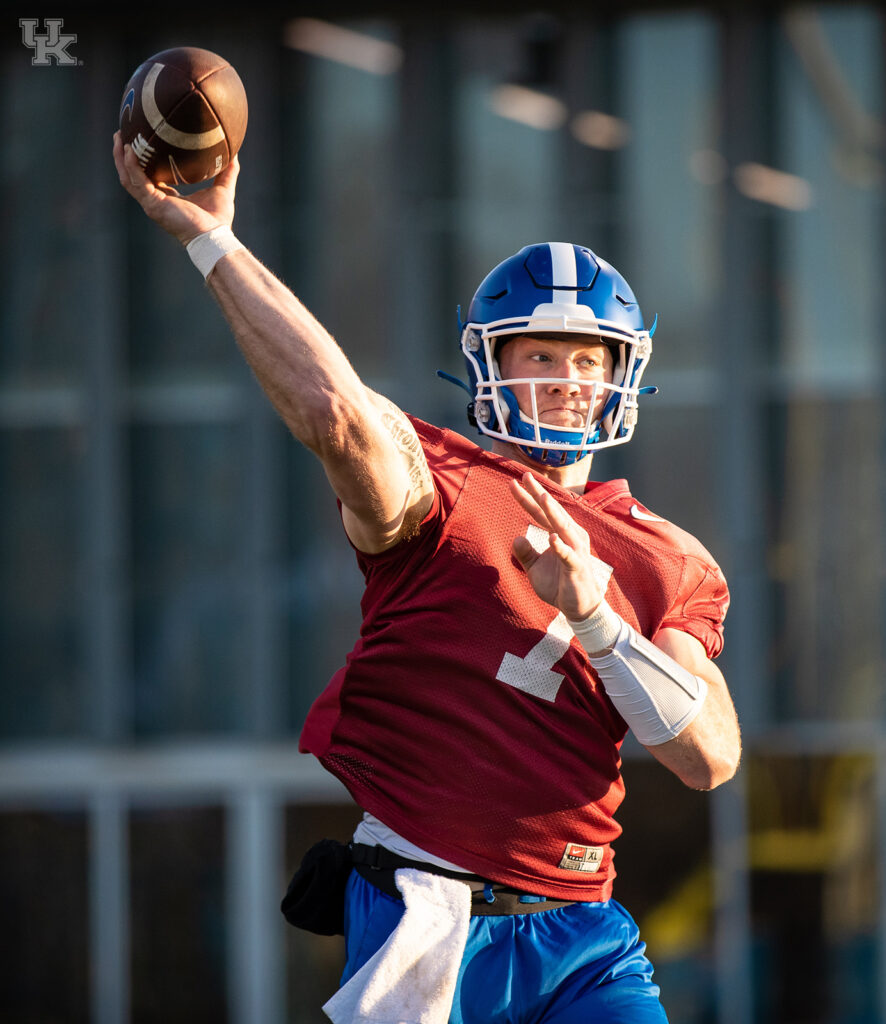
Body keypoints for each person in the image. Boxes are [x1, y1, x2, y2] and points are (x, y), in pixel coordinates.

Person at [113, 134, 741, 1024]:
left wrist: (597, 616)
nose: (566, 380)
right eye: (540, 355)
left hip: (584, 933)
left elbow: (708, 756)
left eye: (587, 358)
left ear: (623, 373)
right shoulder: (443, 487)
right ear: (492, 363)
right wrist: (211, 240)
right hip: (430, 912)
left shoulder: (670, 557)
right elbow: (336, 413)